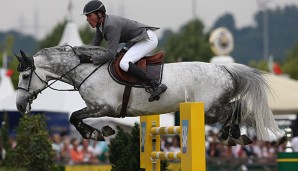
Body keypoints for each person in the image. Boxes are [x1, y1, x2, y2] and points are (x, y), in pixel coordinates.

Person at [82, 0, 167, 102]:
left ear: (99, 14)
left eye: (89, 16)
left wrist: (89, 58)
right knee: (121, 59)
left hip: (147, 39)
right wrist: (78, 52)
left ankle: (156, 85)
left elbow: (110, 54)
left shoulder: (110, 26)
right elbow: (93, 45)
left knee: (124, 63)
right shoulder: (101, 25)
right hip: (137, 40)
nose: (87, 19)